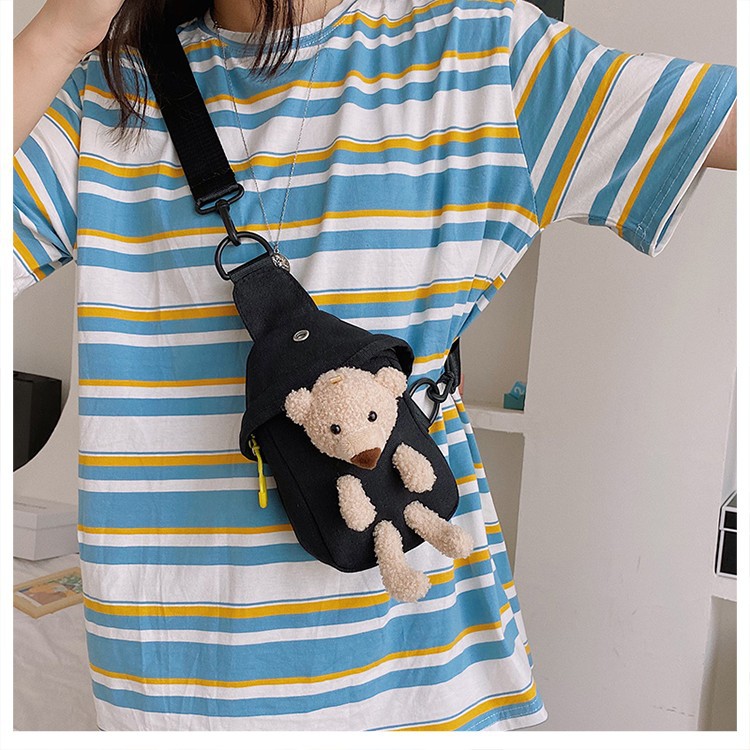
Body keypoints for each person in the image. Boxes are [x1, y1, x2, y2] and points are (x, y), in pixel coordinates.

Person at [13, 0, 736, 732]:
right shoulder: (104, 93)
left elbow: (717, 117)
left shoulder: (481, 53)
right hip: (172, 697)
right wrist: (54, 36)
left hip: (413, 680)